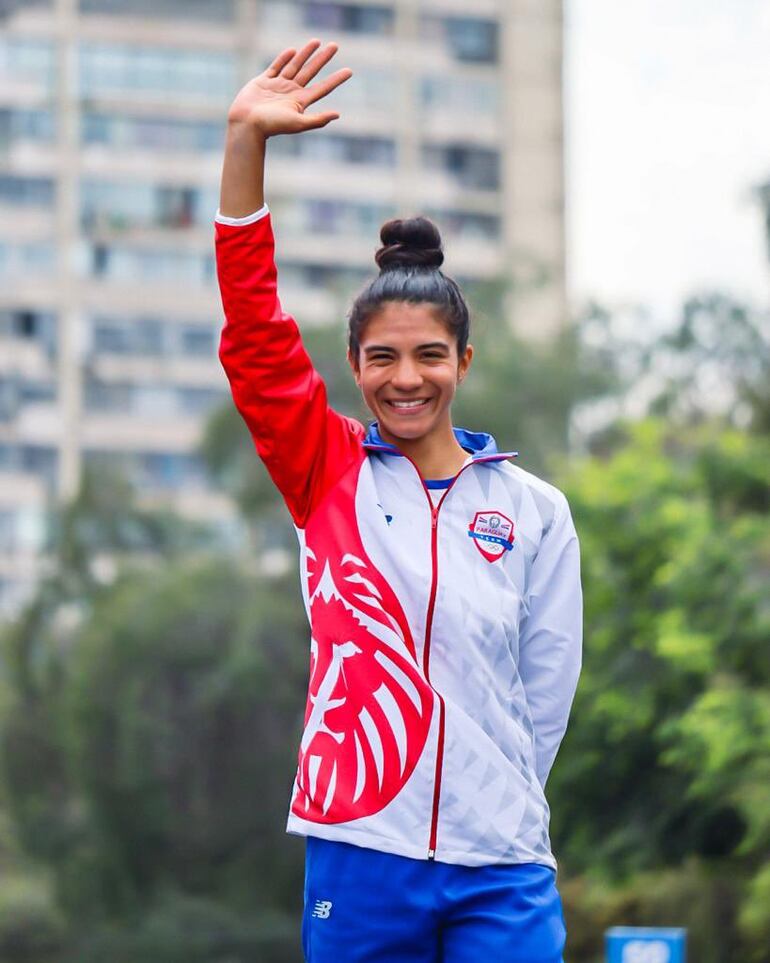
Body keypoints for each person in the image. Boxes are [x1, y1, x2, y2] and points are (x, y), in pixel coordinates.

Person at [216, 38, 582, 963]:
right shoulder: (328, 469)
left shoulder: (535, 509)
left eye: (428, 355)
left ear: (464, 360)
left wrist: (486, 795)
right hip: (362, 850)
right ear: (355, 366)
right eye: (382, 356)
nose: (406, 378)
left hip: (501, 861)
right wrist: (244, 143)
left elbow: (544, 694)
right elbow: (255, 336)